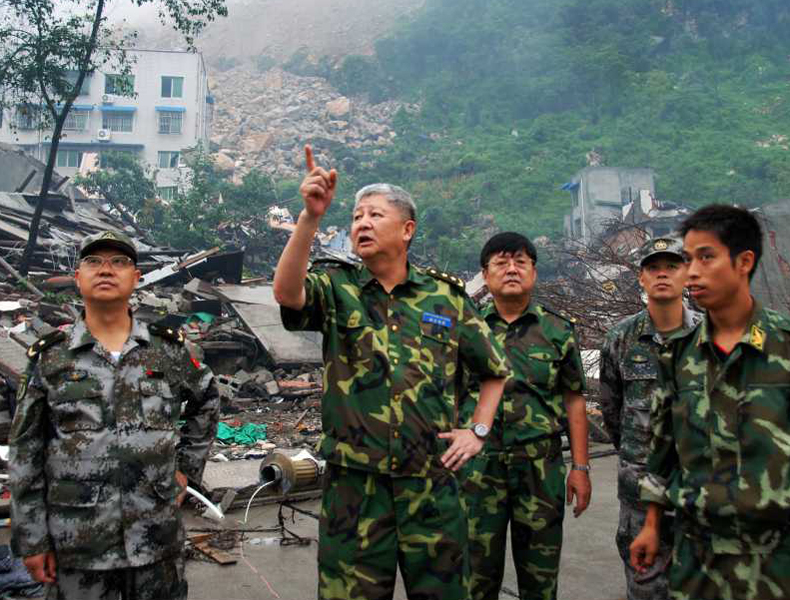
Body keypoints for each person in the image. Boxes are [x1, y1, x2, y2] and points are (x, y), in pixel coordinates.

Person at [273, 146, 509, 600]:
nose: (361, 223)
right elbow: (287, 293)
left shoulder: (445, 297)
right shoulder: (337, 288)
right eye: (356, 216)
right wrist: (310, 217)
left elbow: (494, 371)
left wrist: (477, 431)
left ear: (407, 229)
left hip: (432, 484)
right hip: (355, 490)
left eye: (374, 215)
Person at [9, 230, 219, 600]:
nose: (106, 270)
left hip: (156, 540)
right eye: (94, 261)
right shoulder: (51, 358)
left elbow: (207, 398)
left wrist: (187, 468)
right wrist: (31, 539)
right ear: (78, 277)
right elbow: (25, 451)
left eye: (119, 262)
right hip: (76, 545)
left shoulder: (166, 351)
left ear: (136, 277)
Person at [630, 205, 790, 599]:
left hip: (775, 558)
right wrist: (651, 524)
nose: (693, 272)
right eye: (688, 259)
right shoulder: (679, 356)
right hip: (698, 558)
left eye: (706, 257)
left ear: (744, 262)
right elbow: (661, 450)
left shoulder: (784, 346)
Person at [460, 231, 591, 600]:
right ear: (485, 275)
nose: (512, 270)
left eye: (521, 262)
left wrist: (580, 469)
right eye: (501, 263)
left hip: (540, 470)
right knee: (475, 578)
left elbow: (574, 399)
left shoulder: (558, 330)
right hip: (478, 471)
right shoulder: (467, 331)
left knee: (540, 579)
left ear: (534, 272)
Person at [599, 236, 701, 600]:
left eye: (672, 267)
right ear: (641, 278)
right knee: (645, 588)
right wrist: (635, 458)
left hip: (700, 493)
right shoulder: (620, 339)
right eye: (653, 268)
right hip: (639, 495)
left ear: (688, 275)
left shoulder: (712, 337)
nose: (662, 274)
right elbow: (612, 411)